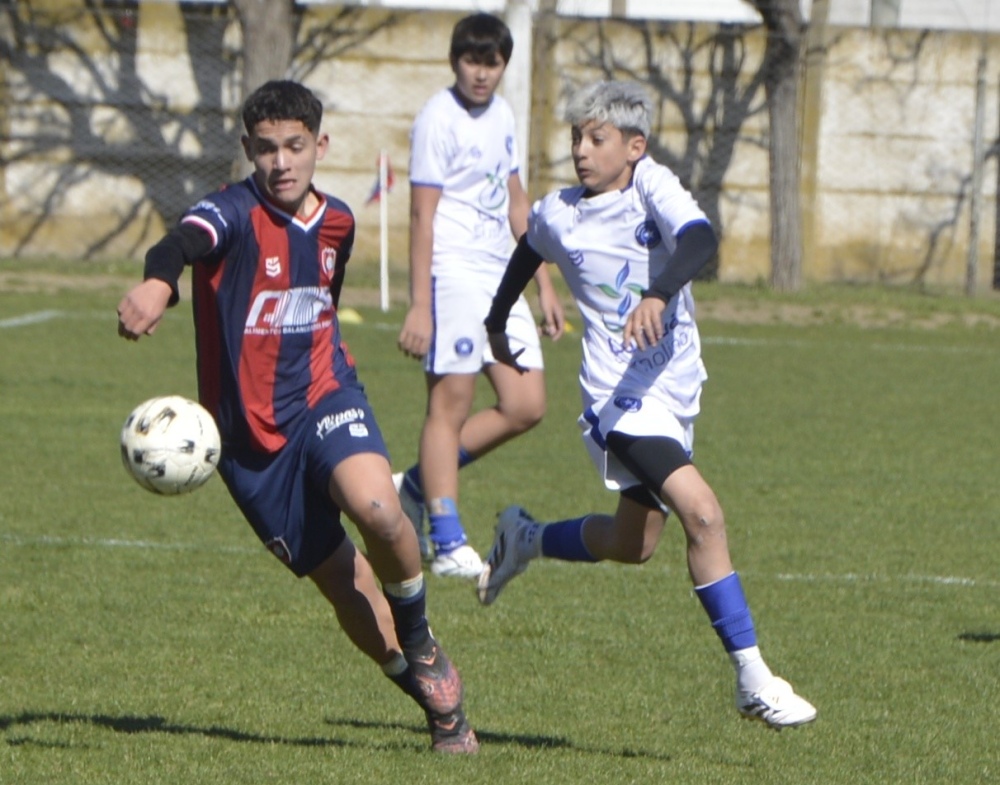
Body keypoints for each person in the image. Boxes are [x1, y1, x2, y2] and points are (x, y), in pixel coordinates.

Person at [116, 80, 478, 754]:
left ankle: (420, 632)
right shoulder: (228, 211)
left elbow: (322, 306)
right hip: (250, 449)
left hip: (324, 395)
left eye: (294, 146)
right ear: (247, 151)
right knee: (345, 583)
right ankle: (437, 705)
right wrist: (160, 280)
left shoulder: (338, 220)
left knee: (378, 508)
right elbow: (179, 244)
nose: (280, 162)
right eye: (265, 149)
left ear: (320, 145)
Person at [478, 80, 817, 730]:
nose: (581, 148)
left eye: (596, 137)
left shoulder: (651, 185)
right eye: (577, 135)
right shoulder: (558, 212)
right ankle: (753, 677)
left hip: (674, 389)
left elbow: (699, 239)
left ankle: (526, 538)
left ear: (634, 146)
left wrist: (659, 292)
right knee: (705, 515)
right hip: (619, 399)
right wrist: (498, 319)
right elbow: (526, 252)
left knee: (633, 543)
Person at [395, 12, 565, 579]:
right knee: (451, 404)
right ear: (455, 61)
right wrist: (421, 302)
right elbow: (422, 213)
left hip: (501, 273)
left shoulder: (505, 115)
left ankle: (415, 486)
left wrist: (542, 283)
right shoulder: (437, 119)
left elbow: (519, 205)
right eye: (472, 61)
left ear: (503, 65)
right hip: (454, 271)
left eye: (492, 63)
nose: (481, 74)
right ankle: (445, 541)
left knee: (526, 404)